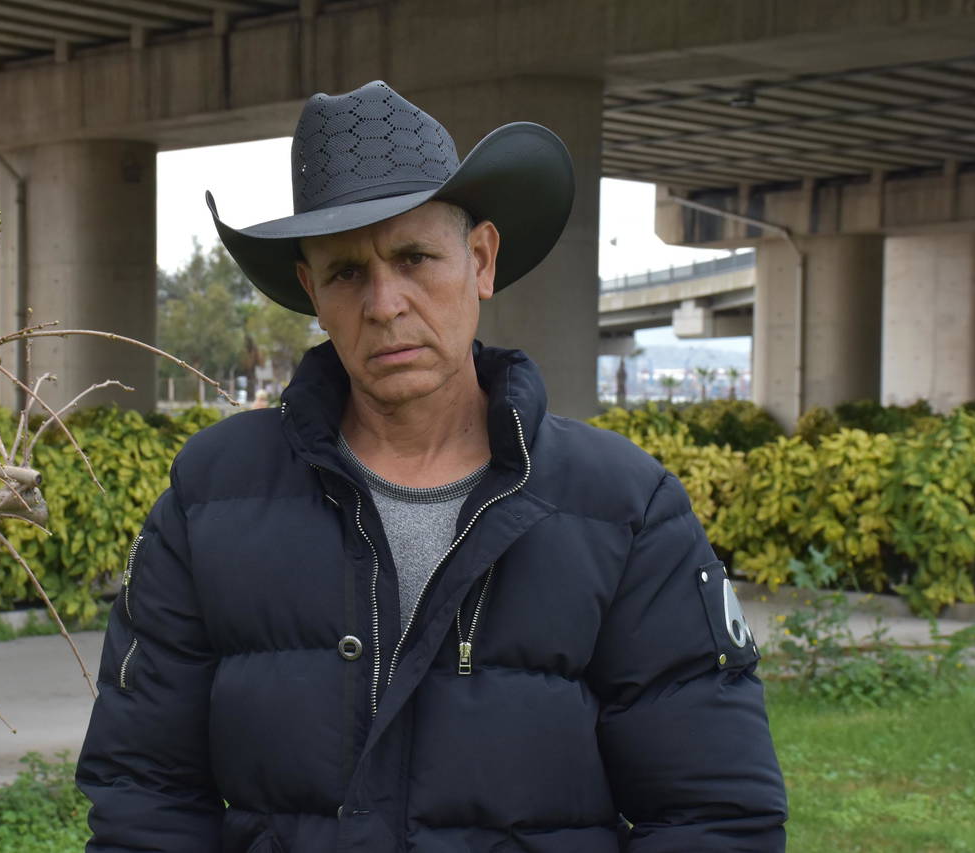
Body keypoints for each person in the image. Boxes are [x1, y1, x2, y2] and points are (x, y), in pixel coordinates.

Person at [76, 80, 787, 853]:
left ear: (481, 259)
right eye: (347, 272)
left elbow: (713, 817)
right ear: (311, 290)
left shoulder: (624, 507)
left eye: (414, 257)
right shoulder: (210, 497)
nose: (385, 303)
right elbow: (146, 798)